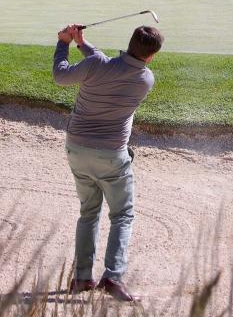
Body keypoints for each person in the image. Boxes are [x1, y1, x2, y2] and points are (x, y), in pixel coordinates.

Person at [53, 21, 162, 302]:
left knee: (89, 212)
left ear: (129, 44)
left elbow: (61, 75)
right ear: (150, 56)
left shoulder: (95, 66)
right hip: (113, 156)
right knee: (122, 215)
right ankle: (113, 277)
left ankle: (81, 278)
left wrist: (65, 42)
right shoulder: (145, 79)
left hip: (77, 149)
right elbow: (105, 63)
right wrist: (81, 43)